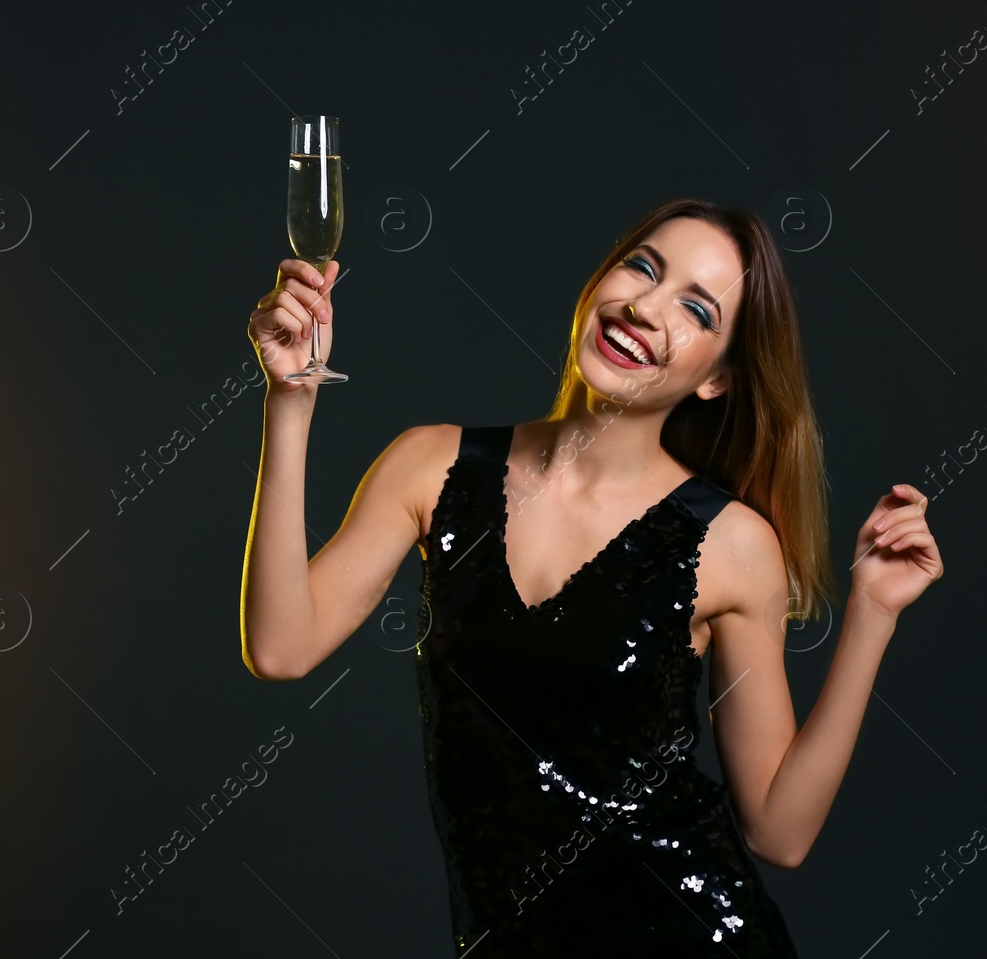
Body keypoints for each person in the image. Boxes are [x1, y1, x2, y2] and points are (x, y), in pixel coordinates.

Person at [239, 197, 945, 956]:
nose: (643, 307)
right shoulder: (432, 464)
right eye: (642, 267)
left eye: (696, 309)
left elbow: (780, 831)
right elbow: (282, 647)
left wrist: (873, 611)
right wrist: (291, 397)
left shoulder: (730, 543)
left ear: (717, 379)